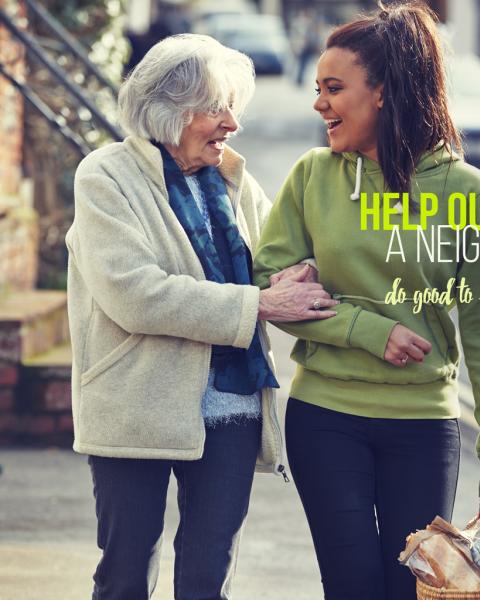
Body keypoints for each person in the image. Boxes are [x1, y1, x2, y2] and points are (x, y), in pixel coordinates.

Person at [253, 3, 480, 599]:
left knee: (410, 593)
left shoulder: (465, 190)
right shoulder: (313, 177)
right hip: (327, 418)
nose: (319, 103)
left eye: (334, 88)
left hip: (422, 425)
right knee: (351, 587)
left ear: (383, 92)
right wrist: (368, 330)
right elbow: (272, 284)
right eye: (319, 88)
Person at [65, 34, 336, 600]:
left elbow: (271, 262)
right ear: (169, 111)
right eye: (216, 108)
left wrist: (289, 277)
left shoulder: (235, 178)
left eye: (233, 106)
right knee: (125, 572)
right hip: (135, 404)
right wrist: (258, 302)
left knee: (208, 577)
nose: (232, 124)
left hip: (233, 406)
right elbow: (134, 294)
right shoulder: (104, 177)